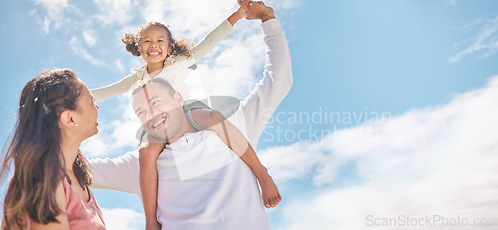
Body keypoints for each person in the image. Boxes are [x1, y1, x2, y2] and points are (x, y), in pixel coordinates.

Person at [90, 1, 292, 229]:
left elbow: (210, 44)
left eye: (160, 41)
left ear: (169, 48)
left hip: (191, 112)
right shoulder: (137, 82)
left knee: (213, 117)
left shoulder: (180, 67)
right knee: (146, 154)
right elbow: (105, 92)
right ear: (139, 48)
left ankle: (261, 171)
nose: (153, 45)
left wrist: (241, 16)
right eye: (146, 41)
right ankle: (150, 221)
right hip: (157, 146)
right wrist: (67, 96)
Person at [1, 69, 105, 229]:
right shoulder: (44, 178)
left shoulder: (78, 179)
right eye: (91, 102)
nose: (97, 107)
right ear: (70, 118)